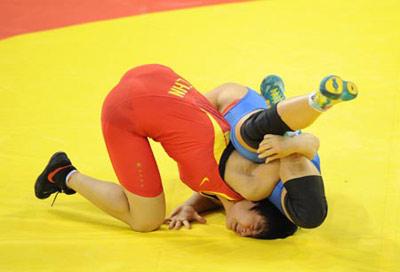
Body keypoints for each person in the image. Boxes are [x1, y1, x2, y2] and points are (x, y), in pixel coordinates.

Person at [35, 64, 357, 238]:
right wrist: (298, 143)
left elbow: (213, 195)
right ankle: (63, 174)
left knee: (250, 137)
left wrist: (191, 206)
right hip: (131, 107)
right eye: (256, 227)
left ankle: (287, 106)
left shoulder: (223, 193)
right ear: (258, 205)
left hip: (162, 78)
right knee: (146, 221)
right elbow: (298, 157)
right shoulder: (251, 183)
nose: (245, 233)